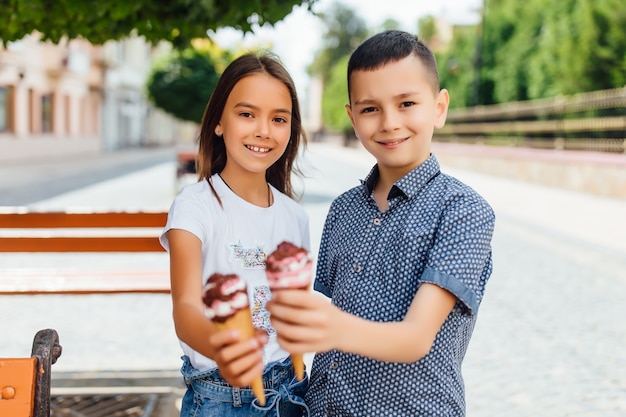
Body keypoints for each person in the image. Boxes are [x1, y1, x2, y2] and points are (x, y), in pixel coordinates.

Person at [267, 30, 496, 416]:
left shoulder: (464, 211)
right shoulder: (342, 210)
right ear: (352, 117)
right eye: (371, 109)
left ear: (439, 108)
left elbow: (415, 339)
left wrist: (328, 324)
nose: (390, 123)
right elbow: (325, 314)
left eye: (407, 103)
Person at [160, 52, 310, 417]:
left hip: (292, 388)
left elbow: (296, 310)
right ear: (218, 123)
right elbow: (186, 307)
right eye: (247, 114)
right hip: (222, 396)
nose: (263, 130)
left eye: (278, 119)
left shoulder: (295, 216)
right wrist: (225, 347)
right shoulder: (195, 206)